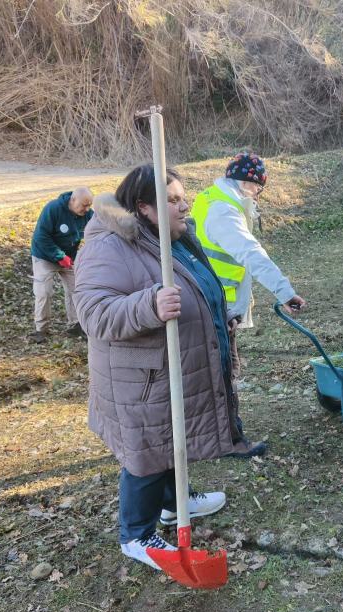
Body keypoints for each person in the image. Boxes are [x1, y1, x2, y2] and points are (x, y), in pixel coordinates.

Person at [73, 165, 243, 569]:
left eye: (183, 196)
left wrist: (216, 313)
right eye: (173, 200)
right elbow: (93, 313)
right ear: (144, 207)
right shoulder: (109, 246)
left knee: (172, 441)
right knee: (146, 454)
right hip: (141, 380)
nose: (185, 205)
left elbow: (198, 285)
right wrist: (148, 305)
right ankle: (136, 535)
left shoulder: (173, 238)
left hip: (172, 369)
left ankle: (174, 503)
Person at [190, 153, 306, 446]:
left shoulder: (213, 198)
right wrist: (285, 292)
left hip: (212, 299)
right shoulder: (224, 212)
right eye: (258, 188)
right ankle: (229, 439)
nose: (258, 195)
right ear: (249, 183)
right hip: (217, 304)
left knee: (216, 371)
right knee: (224, 372)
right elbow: (251, 253)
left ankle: (208, 435)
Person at [29, 187, 94, 342]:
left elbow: (97, 231)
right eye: (84, 205)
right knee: (44, 292)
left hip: (69, 257)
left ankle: (76, 324)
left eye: (89, 205)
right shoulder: (53, 209)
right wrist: (58, 256)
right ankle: (41, 330)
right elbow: (41, 236)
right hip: (44, 256)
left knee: (76, 290)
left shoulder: (88, 215)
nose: (86, 209)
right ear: (73, 200)